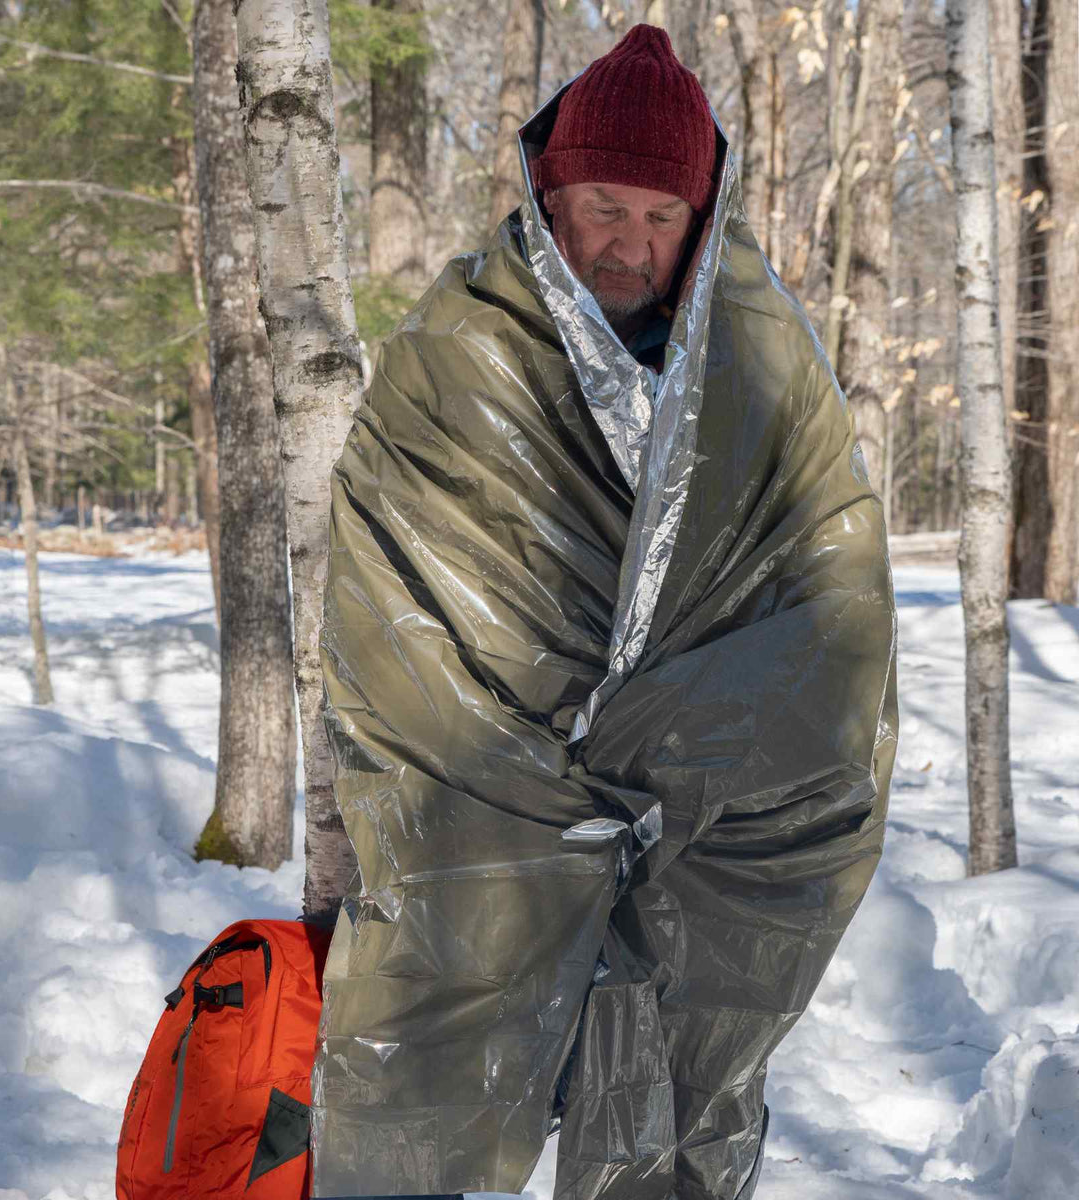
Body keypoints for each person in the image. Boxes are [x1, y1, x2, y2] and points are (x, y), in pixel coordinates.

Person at [312, 24, 898, 1200]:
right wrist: (575, 765)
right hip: (488, 793)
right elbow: (409, 605)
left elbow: (832, 599)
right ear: (549, 191)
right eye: (605, 206)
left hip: (710, 825)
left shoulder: (765, 359)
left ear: (703, 215)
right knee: (425, 1080)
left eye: (661, 216)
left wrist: (663, 753)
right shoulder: (460, 352)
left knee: (679, 1076)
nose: (631, 245)